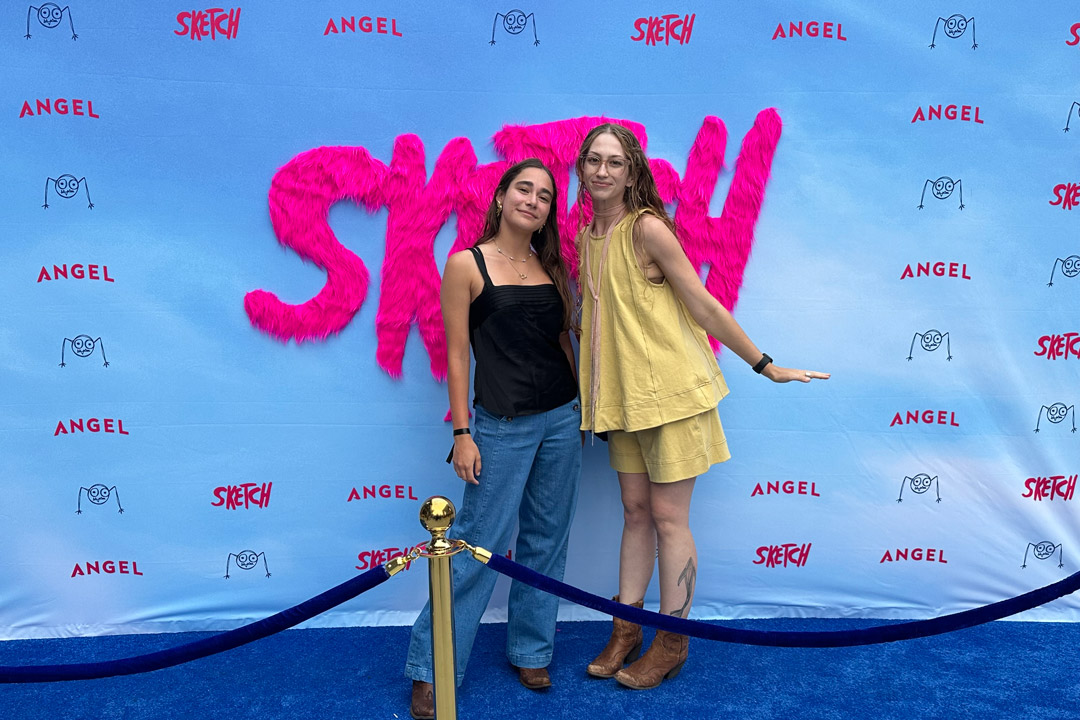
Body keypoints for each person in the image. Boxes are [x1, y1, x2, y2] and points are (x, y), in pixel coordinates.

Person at [574, 124, 829, 690]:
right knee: (635, 513)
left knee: (668, 518)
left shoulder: (647, 230)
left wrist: (767, 364)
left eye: (614, 161)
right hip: (623, 402)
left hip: (672, 397)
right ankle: (628, 627)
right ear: (581, 167)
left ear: (632, 168)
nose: (602, 171)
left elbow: (705, 306)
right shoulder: (586, 236)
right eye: (593, 160)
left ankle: (672, 639)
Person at [405, 159, 582, 719]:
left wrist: (582, 411)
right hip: (499, 427)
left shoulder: (552, 265)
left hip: (561, 419)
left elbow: (561, 342)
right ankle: (432, 669)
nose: (534, 200)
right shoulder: (466, 264)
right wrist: (462, 432)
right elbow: (457, 354)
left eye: (546, 196)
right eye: (524, 189)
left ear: (550, 211)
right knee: (474, 546)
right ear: (503, 196)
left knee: (546, 542)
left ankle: (531, 649)